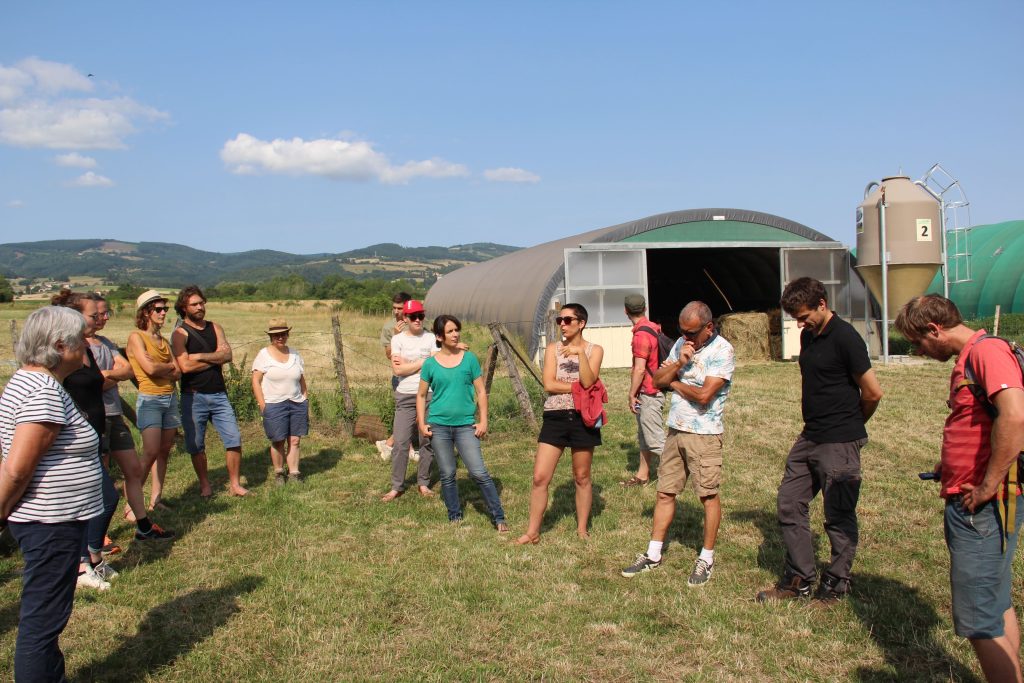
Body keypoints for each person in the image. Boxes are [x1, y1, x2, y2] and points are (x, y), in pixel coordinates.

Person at [895, 294, 1024, 682]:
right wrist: (951, 462)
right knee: (996, 604)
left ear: (935, 329)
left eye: (918, 343)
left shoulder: (986, 353)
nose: (917, 351)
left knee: (978, 618)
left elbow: (1014, 417)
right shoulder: (973, 356)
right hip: (980, 499)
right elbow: (982, 420)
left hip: (983, 507)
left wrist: (987, 484)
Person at [756, 278, 882, 603]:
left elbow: (872, 391)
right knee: (789, 501)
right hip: (810, 435)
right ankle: (799, 579)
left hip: (838, 439)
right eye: (796, 318)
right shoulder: (808, 337)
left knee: (838, 515)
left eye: (804, 315)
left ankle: (836, 585)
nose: (800, 323)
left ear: (822, 304)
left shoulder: (846, 338)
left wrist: (850, 426)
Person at [0, 306, 103, 681]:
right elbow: (16, 468)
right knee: (42, 623)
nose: (85, 346)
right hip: (51, 523)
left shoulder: (29, 381)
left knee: (44, 619)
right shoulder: (43, 391)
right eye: (80, 341)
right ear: (61, 345)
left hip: (49, 521)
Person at [621, 301, 734, 586]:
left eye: (692, 332)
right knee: (664, 492)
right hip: (675, 430)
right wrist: (680, 364)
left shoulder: (723, 351)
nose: (686, 337)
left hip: (705, 434)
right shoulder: (681, 346)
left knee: (707, 495)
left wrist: (674, 383)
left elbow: (704, 395)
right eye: (682, 331)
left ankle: (706, 558)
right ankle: (653, 553)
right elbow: (657, 379)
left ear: (709, 328)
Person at [516, 303, 604, 545]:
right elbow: (549, 385)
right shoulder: (553, 349)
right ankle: (532, 532)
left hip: (582, 418)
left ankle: (582, 529)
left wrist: (578, 356)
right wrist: (579, 389)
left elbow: (589, 381)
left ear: (581, 323)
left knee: (582, 476)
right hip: (555, 416)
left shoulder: (595, 350)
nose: (562, 325)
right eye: (559, 321)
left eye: (567, 320)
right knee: (539, 477)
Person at [89, 294, 173, 543]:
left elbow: (127, 370)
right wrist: (105, 377)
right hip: (96, 415)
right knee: (100, 475)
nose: (104, 318)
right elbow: (90, 383)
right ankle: (97, 535)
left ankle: (143, 526)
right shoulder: (77, 346)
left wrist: (107, 375)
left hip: (115, 414)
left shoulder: (105, 343)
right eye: (98, 314)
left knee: (135, 469)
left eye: (106, 314)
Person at [51, 290, 120, 591]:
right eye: (93, 315)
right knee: (95, 500)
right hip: (69, 445)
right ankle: (81, 566)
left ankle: (92, 556)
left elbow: (99, 382)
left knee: (102, 499)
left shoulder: (85, 349)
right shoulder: (59, 355)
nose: (98, 319)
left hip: (92, 438)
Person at [416, 315, 508, 531]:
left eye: (457, 330)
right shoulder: (430, 364)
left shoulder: (469, 359)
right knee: (447, 473)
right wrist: (422, 423)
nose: (456, 334)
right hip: (438, 425)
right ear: (439, 336)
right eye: (450, 331)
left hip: (466, 425)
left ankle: (499, 516)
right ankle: (454, 514)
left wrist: (483, 421)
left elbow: (481, 391)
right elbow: (420, 395)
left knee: (478, 472)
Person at [171, 285, 248, 497]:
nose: (200, 307)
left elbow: (228, 355)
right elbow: (185, 367)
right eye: (194, 304)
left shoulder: (215, 328)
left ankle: (235, 484)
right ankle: (205, 485)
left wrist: (199, 356)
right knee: (196, 444)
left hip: (219, 394)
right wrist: (214, 357)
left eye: (201, 302)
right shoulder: (180, 334)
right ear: (184, 308)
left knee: (234, 439)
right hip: (193, 395)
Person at [126, 290, 182, 510]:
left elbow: (178, 371)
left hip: (170, 399)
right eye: (158, 309)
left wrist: (164, 369)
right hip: (150, 400)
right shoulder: (136, 337)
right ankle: (132, 504)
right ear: (146, 313)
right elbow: (149, 368)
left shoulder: (163, 341)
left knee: (164, 451)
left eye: (164, 309)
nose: (163, 313)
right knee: (149, 452)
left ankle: (155, 499)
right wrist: (166, 367)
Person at [382, 299, 436, 501]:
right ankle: (397, 486)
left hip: (429, 393)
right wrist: (424, 361)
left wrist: (410, 364)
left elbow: (434, 367)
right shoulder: (397, 340)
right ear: (405, 318)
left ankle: (423, 482)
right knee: (401, 441)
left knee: (427, 439)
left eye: (421, 315)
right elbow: (398, 369)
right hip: (405, 394)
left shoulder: (431, 338)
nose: (418, 320)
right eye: (413, 316)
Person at [252, 318, 309, 486]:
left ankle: (294, 473)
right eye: (276, 335)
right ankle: (279, 472)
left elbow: (301, 378)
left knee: (295, 440)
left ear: (287, 334)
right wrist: (262, 404)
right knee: (278, 440)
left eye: (283, 334)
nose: (280, 337)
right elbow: (255, 381)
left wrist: (305, 397)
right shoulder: (263, 355)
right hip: (274, 403)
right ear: (271, 336)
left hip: (297, 402)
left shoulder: (295, 354)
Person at [620, 294, 665, 487]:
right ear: (645, 308)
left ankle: (674, 476)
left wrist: (631, 394)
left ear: (625, 311)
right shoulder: (653, 327)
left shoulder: (641, 335)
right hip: (650, 391)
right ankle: (643, 475)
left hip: (650, 392)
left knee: (655, 439)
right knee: (645, 436)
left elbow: (639, 369)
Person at [377, 291, 412, 460]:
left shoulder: (417, 322)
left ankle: (390, 442)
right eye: (394, 308)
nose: (396, 311)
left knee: (417, 412)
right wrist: (396, 337)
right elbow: (388, 354)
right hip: (400, 376)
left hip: (419, 375)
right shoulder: (389, 327)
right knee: (406, 412)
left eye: (400, 308)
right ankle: (404, 447)